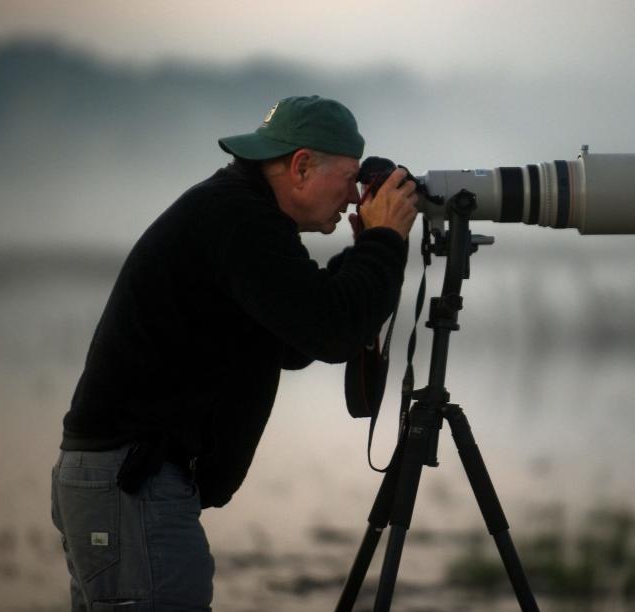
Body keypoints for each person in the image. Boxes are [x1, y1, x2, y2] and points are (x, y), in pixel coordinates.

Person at [50, 95, 418, 611]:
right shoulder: (241, 220)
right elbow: (329, 332)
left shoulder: (236, 211)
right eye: (352, 177)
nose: (356, 196)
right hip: (133, 482)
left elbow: (294, 337)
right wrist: (383, 243)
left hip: (118, 480)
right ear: (302, 165)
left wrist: (369, 252)